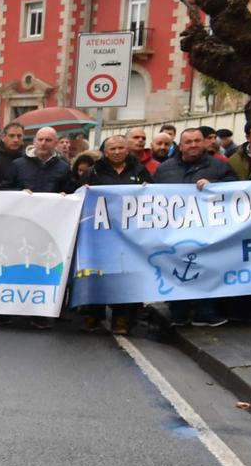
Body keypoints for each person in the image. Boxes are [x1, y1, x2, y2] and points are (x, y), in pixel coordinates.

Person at [153, 128, 237, 328]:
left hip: (208, 230)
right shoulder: (164, 169)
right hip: (175, 231)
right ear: (180, 145)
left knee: (207, 269)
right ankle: (178, 311)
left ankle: (205, 311)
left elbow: (236, 189)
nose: (193, 145)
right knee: (176, 269)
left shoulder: (220, 166)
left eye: (197, 141)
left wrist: (214, 185)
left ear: (205, 143)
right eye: (188, 142)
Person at [86, 135, 150, 334]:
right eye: (112, 149)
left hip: (130, 233)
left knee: (125, 274)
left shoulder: (139, 170)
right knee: (97, 273)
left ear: (127, 150)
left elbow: (154, 196)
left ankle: (121, 318)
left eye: (120, 148)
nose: (116, 152)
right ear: (105, 152)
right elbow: (76, 193)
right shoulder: (93, 171)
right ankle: (93, 314)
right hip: (99, 232)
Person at [9, 125, 73, 193]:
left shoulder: (64, 167)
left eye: (48, 140)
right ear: (34, 141)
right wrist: (20, 192)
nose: (43, 143)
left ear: (55, 143)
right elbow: (4, 189)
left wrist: (65, 195)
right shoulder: (17, 164)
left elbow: (70, 192)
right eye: (40, 139)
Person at [0, 121, 27, 190]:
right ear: (3, 137)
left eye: (19, 136)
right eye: (11, 136)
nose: (16, 140)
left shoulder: (28, 158)